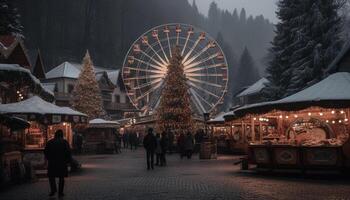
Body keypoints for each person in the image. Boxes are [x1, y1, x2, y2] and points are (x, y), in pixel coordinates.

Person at [44, 130, 71, 197]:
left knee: (51, 177)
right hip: (62, 162)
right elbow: (68, 152)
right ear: (62, 135)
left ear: (55, 135)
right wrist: (67, 161)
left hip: (52, 162)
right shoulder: (65, 142)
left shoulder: (50, 142)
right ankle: (60, 192)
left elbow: (46, 152)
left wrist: (49, 159)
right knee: (61, 178)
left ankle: (53, 190)